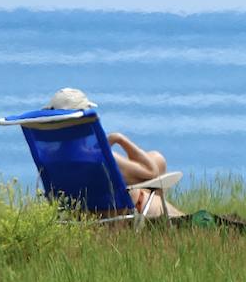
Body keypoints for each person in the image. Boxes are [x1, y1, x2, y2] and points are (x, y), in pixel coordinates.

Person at [46, 87, 183, 217]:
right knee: (154, 172)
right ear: (85, 122)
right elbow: (151, 172)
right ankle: (178, 223)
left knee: (157, 158)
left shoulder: (50, 157)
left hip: (84, 212)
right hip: (121, 212)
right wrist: (118, 138)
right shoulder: (99, 158)